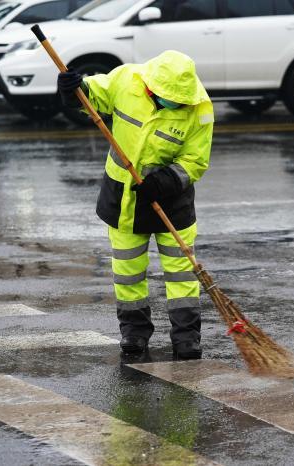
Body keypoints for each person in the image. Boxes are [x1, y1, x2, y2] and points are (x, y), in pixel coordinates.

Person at [57, 50, 214, 359]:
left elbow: (196, 161)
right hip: (124, 199)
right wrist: (74, 89)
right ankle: (134, 332)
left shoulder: (199, 109)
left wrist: (164, 182)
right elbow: (93, 96)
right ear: (151, 86)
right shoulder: (127, 78)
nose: (174, 103)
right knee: (128, 271)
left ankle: (186, 337)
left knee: (181, 273)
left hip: (171, 201)